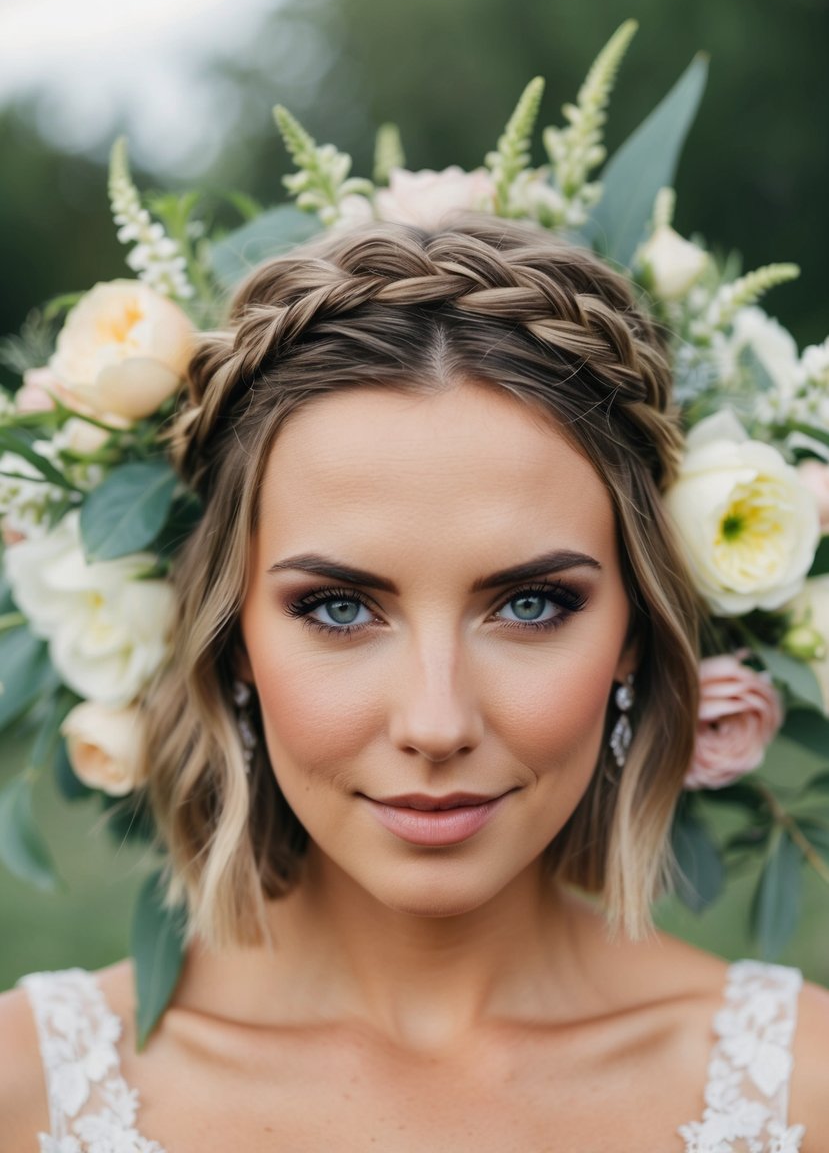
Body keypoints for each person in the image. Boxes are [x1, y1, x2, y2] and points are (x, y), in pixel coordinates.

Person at [1, 216, 827, 1152]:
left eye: (530, 604)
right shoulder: (26, 1090)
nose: (437, 725)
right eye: (340, 609)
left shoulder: (804, 1089)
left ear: (634, 632)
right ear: (232, 641)